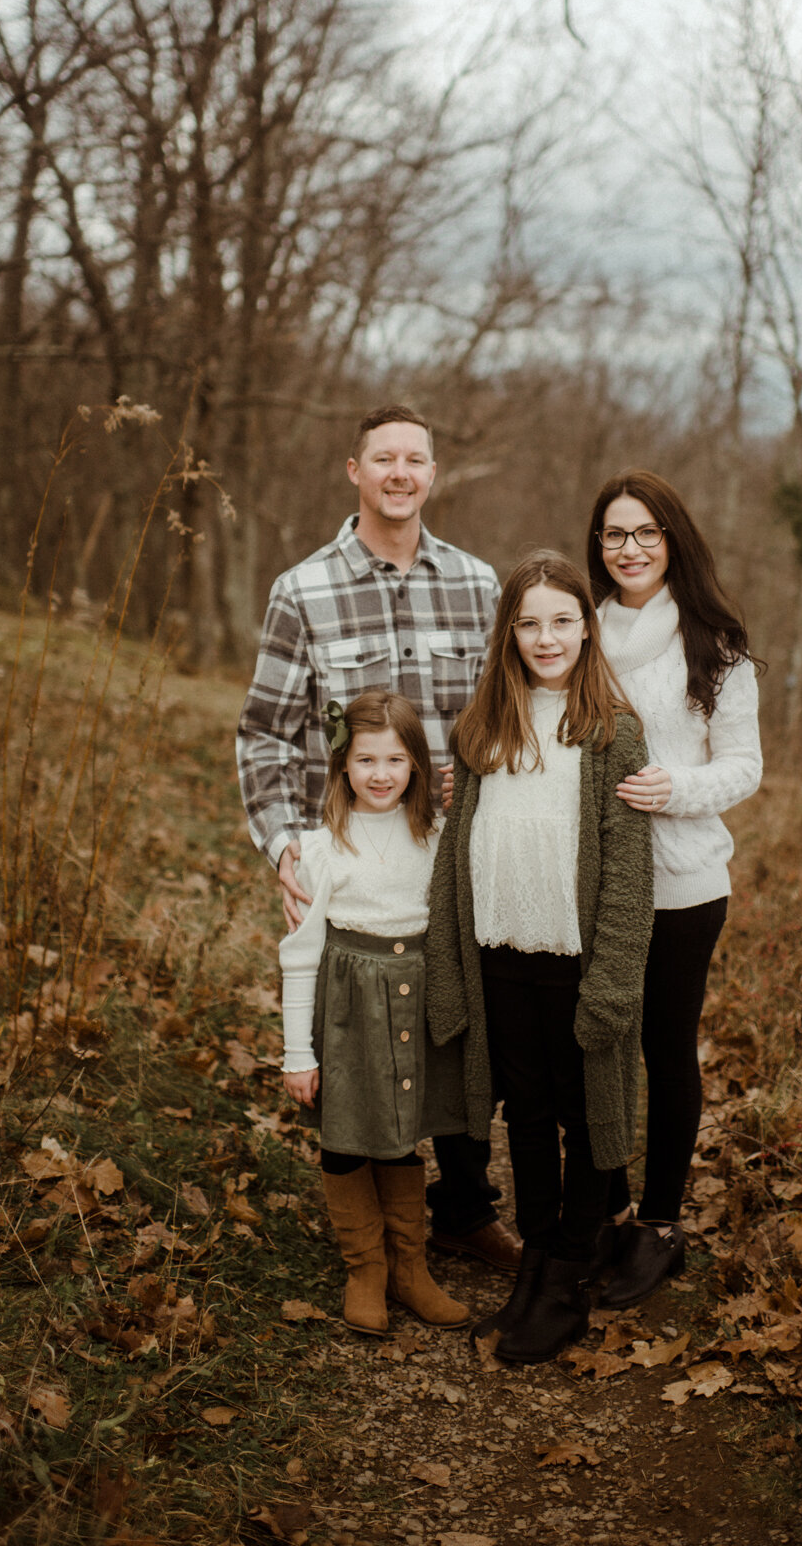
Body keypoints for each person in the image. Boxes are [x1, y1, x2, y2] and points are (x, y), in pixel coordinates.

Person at [236, 404, 520, 1272]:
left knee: (458, 1023)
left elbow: (505, 717)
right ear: (353, 470)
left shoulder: (477, 586)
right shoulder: (304, 589)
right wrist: (286, 848)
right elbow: (265, 733)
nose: (400, 473)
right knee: (359, 1018)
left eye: (416, 460)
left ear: (433, 475)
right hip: (353, 860)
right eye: (383, 458)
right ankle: (366, 1229)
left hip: (455, 857)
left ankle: (464, 1210)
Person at [425, 551, 654, 1365]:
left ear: (586, 630)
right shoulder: (484, 728)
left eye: (562, 620)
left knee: (587, 1118)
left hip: (576, 962)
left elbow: (627, 875)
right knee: (523, 1114)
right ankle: (536, 1262)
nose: (545, 637)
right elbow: (459, 854)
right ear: (508, 633)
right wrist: (449, 958)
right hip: (499, 954)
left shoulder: (610, 733)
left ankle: (568, 1274)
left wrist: (614, 982)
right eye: (528, 623)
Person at [587, 469, 763, 1306]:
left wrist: (676, 788)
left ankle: (659, 1225)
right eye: (615, 535)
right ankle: (601, 1207)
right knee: (597, 1045)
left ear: (672, 541)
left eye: (645, 533)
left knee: (664, 1046)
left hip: (682, 882)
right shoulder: (574, 632)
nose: (629, 549)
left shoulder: (711, 644)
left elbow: (743, 765)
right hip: (588, 885)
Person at [280, 689, 470, 1336]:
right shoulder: (319, 848)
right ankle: (365, 1269)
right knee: (346, 1135)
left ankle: (409, 1269)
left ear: (417, 764)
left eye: (395, 759)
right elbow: (300, 954)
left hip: (413, 997)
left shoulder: (437, 837)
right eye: (365, 760)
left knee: (399, 1134)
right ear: (341, 767)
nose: (380, 774)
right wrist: (296, 1054)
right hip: (347, 1005)